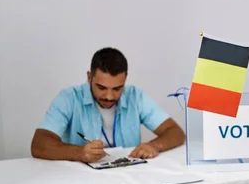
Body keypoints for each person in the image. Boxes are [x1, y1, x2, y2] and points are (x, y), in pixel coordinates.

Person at [31, 47, 186, 162]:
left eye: (117, 88)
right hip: (81, 180)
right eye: (101, 88)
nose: (109, 96)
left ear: (125, 79)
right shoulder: (69, 98)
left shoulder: (135, 96)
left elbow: (175, 132)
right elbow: (39, 144)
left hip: (129, 177)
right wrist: (79, 153)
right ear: (89, 77)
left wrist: (154, 145)